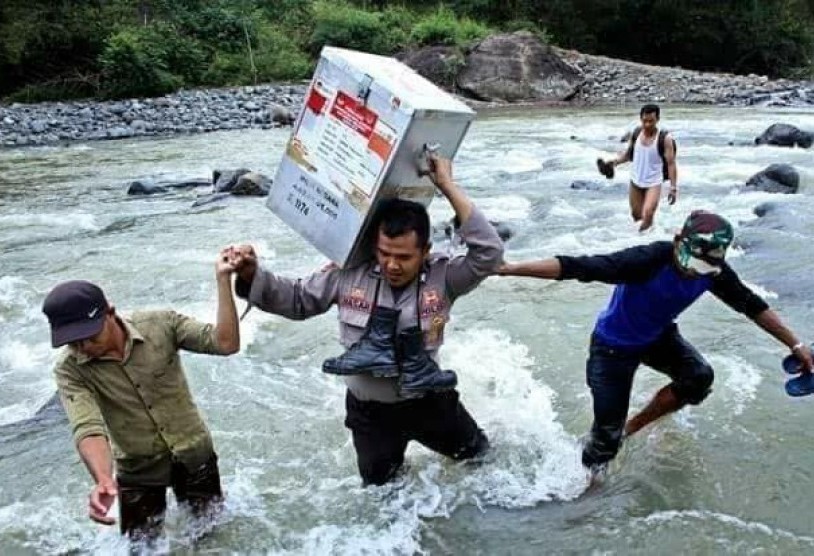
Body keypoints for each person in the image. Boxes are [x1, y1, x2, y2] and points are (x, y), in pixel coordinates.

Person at [226, 154, 504, 486]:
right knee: (382, 495)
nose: (392, 265)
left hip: (430, 401)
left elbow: (489, 253)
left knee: (484, 461)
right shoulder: (348, 272)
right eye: (384, 254)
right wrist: (251, 274)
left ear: (426, 251)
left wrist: (446, 184)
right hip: (371, 414)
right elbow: (298, 300)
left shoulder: (444, 276)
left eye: (403, 257)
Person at [496, 210, 813, 473]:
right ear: (678, 242)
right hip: (612, 347)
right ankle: (589, 488)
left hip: (657, 337)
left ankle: (633, 429)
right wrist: (510, 269)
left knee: (698, 378)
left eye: (703, 268)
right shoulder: (648, 260)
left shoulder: (713, 271)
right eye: (692, 264)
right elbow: (578, 266)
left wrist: (796, 346)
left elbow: (752, 305)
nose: (695, 273)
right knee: (604, 439)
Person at [42, 249, 241, 543]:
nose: (83, 347)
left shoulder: (162, 324)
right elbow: (87, 427)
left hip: (194, 454)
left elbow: (225, 343)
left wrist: (223, 280)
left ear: (110, 312)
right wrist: (103, 479)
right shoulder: (70, 370)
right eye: (72, 342)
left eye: (89, 336)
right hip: (138, 471)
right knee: (141, 547)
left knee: (211, 536)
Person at [597, 104, 678, 231]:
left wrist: (673, 187)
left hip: (654, 182)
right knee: (636, 215)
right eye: (644, 121)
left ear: (658, 119)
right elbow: (629, 155)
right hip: (636, 180)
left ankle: (645, 239)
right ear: (641, 119)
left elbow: (671, 163)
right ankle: (646, 236)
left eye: (651, 121)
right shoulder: (636, 133)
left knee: (648, 213)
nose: (647, 124)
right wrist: (614, 163)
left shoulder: (665, 139)